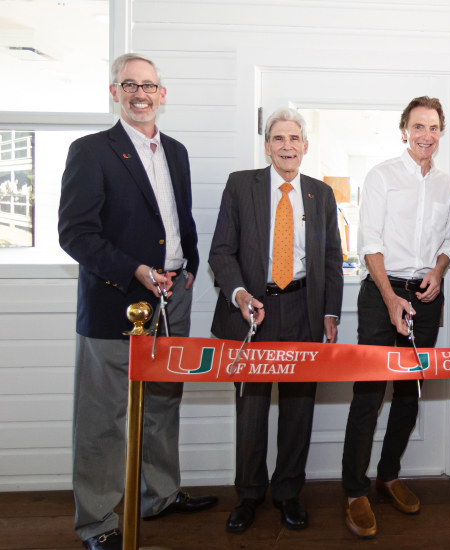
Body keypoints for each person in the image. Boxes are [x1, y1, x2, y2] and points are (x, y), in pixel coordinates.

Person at [58, 53, 216, 550]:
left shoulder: (177, 151)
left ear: (162, 94)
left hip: (175, 295)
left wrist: (185, 268)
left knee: (164, 403)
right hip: (118, 301)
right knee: (104, 417)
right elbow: (75, 234)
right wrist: (135, 271)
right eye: (130, 84)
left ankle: (159, 495)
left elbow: (177, 220)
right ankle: (98, 522)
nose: (140, 93)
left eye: (149, 85)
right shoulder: (91, 151)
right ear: (115, 92)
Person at [209, 108, 344, 533]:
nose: (287, 146)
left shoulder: (320, 195)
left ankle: (288, 492)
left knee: (299, 408)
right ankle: (249, 495)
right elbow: (221, 251)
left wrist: (330, 312)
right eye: (278, 139)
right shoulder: (239, 185)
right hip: (254, 312)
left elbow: (330, 260)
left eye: (294, 139)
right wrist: (240, 294)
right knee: (250, 408)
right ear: (267, 146)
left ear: (305, 146)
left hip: (303, 310)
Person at [342, 96, 450, 539]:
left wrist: (439, 268)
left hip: (427, 296)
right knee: (369, 393)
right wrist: (390, 298)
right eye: (418, 127)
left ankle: (387, 475)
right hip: (380, 293)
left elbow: (448, 238)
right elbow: (369, 241)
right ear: (404, 130)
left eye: (433, 128)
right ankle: (354, 490)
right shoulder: (381, 176)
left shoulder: (447, 184)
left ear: (440, 132)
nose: (425, 135)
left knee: (410, 392)